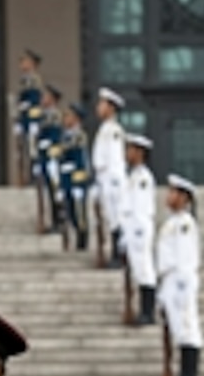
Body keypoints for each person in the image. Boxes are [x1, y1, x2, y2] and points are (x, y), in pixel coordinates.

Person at [156, 174, 203, 376]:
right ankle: (184, 368)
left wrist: (182, 287)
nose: (169, 196)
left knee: (186, 325)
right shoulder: (173, 222)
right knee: (176, 325)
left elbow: (185, 258)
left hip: (180, 279)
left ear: (184, 198)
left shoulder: (184, 224)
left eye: (174, 192)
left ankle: (189, 371)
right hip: (170, 278)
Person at [121, 134, 157, 325]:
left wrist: (137, 234)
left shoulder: (143, 178)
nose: (127, 153)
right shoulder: (133, 176)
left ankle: (148, 312)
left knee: (144, 270)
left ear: (140, 153)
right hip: (132, 230)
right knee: (138, 270)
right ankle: (144, 310)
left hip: (139, 230)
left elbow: (141, 210)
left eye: (131, 150)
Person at [91, 87, 127, 267]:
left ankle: (118, 254)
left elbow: (114, 159)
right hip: (104, 178)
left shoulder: (112, 130)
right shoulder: (105, 128)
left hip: (112, 179)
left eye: (102, 104)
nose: (99, 108)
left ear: (111, 108)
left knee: (116, 218)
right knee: (109, 218)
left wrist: (113, 183)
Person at [58, 103, 91, 251]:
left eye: (69, 116)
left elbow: (81, 161)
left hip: (76, 178)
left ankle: (82, 238)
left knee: (79, 211)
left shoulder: (79, 136)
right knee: (70, 210)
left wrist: (79, 181)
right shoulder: (64, 135)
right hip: (65, 177)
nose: (66, 119)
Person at [34, 85, 65, 233]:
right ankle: (54, 220)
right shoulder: (44, 116)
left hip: (53, 159)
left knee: (55, 191)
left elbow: (56, 139)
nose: (42, 99)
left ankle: (59, 222)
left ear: (52, 99)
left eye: (45, 97)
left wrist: (48, 149)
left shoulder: (55, 116)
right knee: (49, 192)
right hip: (45, 158)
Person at [13, 49, 44, 183]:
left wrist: (33, 121)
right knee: (25, 150)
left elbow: (35, 102)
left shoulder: (34, 80)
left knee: (33, 151)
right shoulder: (24, 80)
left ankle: (34, 178)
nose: (22, 65)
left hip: (32, 120)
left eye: (25, 62)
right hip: (25, 119)